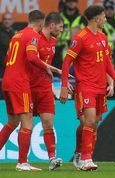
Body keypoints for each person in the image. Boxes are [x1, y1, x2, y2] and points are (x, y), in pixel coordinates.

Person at [59, 5, 115, 171]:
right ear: (96, 18)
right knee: (90, 120)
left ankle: (80, 153)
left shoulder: (102, 37)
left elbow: (107, 61)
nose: (106, 19)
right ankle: (87, 159)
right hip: (85, 86)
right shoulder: (80, 38)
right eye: (103, 16)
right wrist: (64, 86)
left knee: (91, 124)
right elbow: (66, 63)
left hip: (100, 86)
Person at [0, 10, 54, 171]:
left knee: (12, 121)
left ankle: (22, 162)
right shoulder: (33, 35)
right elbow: (31, 57)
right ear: (41, 23)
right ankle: (22, 162)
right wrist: (47, 67)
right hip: (19, 83)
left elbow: (7, 59)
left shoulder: (17, 35)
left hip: (7, 81)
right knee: (27, 120)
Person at [29, 12, 65, 171]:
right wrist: (54, 70)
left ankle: (52, 158)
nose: (61, 30)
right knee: (21, 125)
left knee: (49, 123)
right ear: (52, 25)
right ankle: (22, 161)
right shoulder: (34, 38)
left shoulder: (54, 41)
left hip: (44, 88)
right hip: (29, 87)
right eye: (60, 27)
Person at [55, 0, 86, 69]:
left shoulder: (82, 20)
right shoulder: (58, 18)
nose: (71, 2)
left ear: (77, 2)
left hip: (78, 57)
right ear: (65, 2)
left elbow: (87, 38)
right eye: (69, 1)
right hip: (58, 57)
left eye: (74, 1)